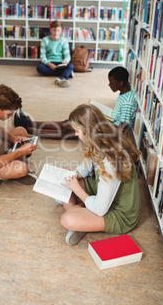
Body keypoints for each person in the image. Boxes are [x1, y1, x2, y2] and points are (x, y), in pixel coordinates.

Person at [58, 104, 141, 246]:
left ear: (87, 130)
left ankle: (81, 219)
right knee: (64, 183)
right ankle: (83, 217)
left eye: (77, 131)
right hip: (101, 191)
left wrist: (77, 189)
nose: (76, 134)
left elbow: (100, 209)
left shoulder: (111, 161)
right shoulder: (100, 142)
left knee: (67, 219)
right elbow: (84, 169)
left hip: (119, 212)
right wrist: (72, 176)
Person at [15, 66, 138, 139]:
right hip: (106, 122)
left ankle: (27, 129)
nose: (109, 85)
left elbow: (120, 129)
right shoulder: (125, 93)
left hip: (107, 130)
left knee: (68, 131)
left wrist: (97, 126)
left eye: (112, 82)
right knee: (68, 122)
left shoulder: (127, 102)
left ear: (121, 83)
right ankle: (30, 122)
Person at [37, 20, 74, 88]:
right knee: (40, 68)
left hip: (60, 64)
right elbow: (42, 56)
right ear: (51, 29)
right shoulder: (45, 40)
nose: (56, 32)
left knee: (71, 66)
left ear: (61, 31)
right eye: (54, 30)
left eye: (58, 30)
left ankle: (63, 78)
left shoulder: (64, 41)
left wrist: (65, 61)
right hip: (49, 63)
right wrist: (49, 64)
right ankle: (66, 74)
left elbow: (67, 56)